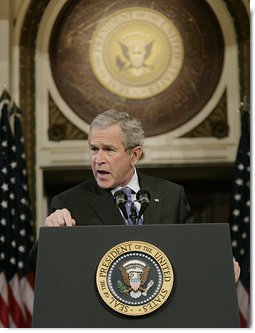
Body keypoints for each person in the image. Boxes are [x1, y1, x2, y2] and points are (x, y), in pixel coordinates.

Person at [30, 109, 240, 281]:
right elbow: (39, 267)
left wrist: (218, 267)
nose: (98, 159)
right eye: (94, 149)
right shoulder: (70, 202)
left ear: (134, 155)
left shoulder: (170, 195)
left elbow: (192, 252)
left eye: (109, 150)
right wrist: (51, 235)